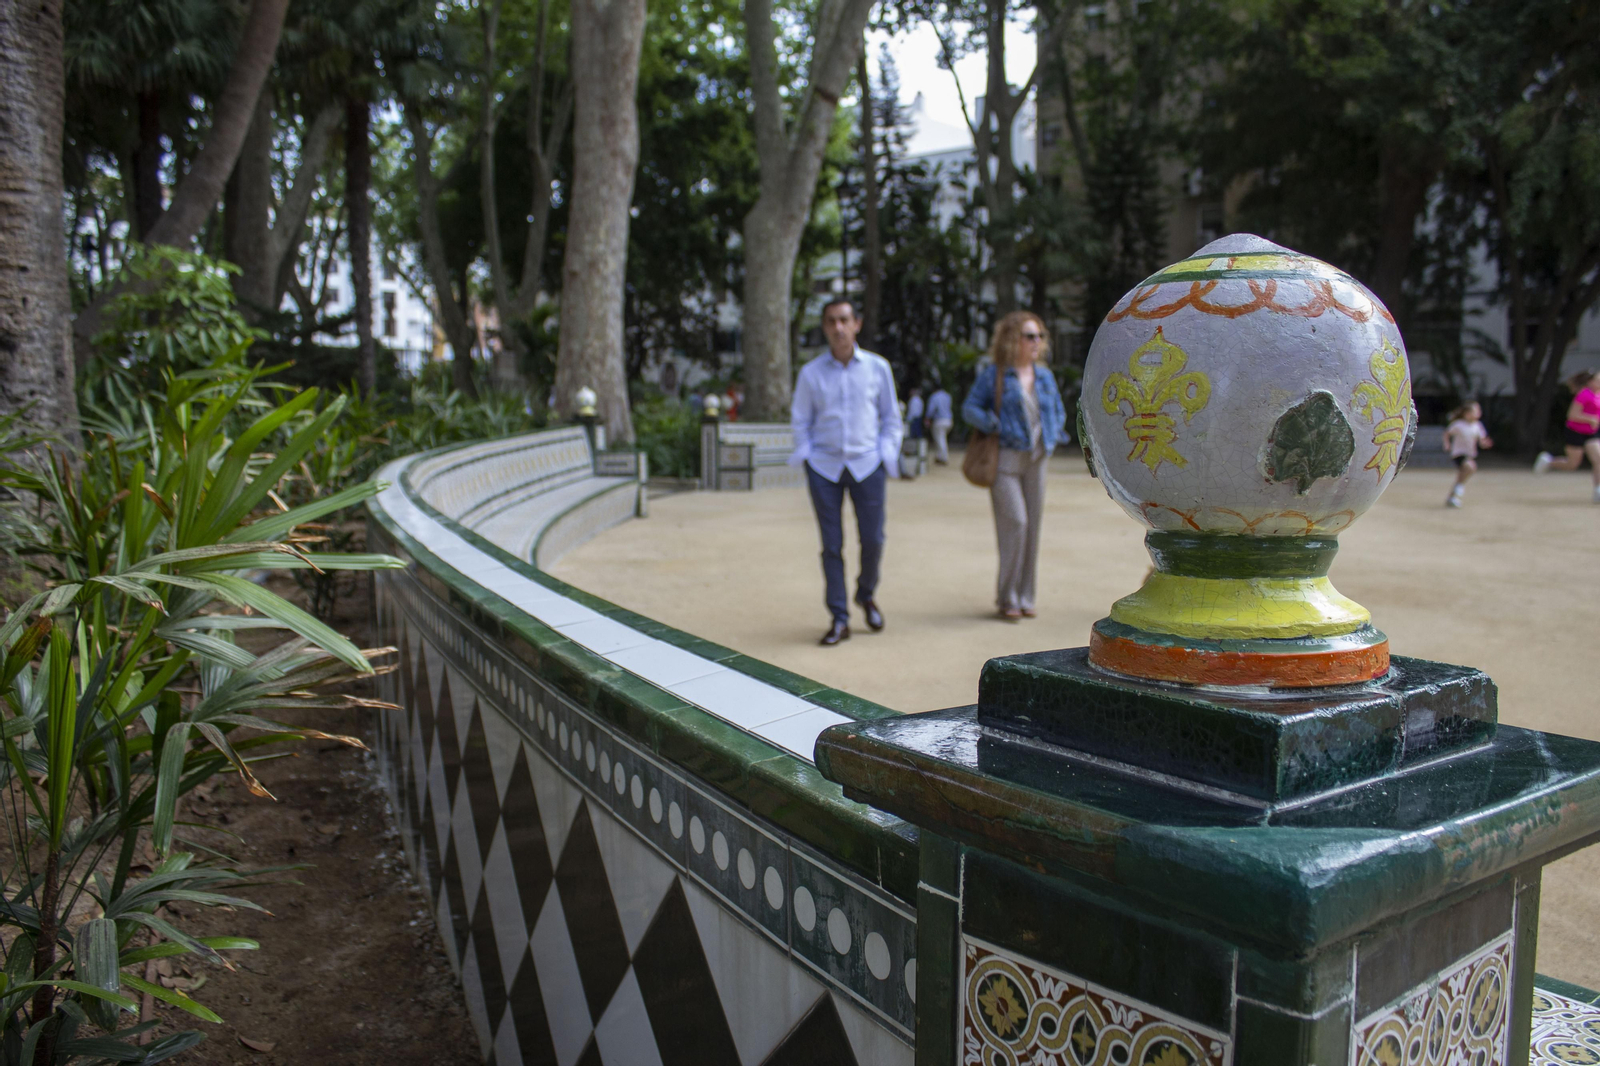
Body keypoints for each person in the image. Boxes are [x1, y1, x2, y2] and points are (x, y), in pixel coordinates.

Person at [789, 299, 903, 645]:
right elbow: (800, 420)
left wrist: (885, 454)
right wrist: (807, 455)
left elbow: (891, 418)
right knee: (831, 545)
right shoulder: (811, 373)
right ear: (824, 327)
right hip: (824, 467)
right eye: (830, 321)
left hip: (868, 464)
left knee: (873, 539)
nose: (837, 327)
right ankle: (839, 617)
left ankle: (865, 593)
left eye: (843, 320)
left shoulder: (877, 367)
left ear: (856, 323)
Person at [962, 311, 1068, 620]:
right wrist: (993, 423)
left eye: (1040, 336)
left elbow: (1059, 409)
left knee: (1033, 529)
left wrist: (1052, 432)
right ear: (1013, 339)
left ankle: (1025, 596)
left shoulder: (1044, 376)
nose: (1037, 342)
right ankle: (1007, 597)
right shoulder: (996, 374)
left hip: (1037, 459)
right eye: (1030, 336)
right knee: (1016, 523)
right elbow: (970, 407)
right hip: (1005, 460)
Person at [1533, 369, 1600, 502]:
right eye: (1598, 380)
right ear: (1590, 382)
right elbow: (1572, 415)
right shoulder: (1584, 394)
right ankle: (1548, 461)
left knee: (1598, 459)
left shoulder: (1598, 395)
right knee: (1572, 464)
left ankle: (1597, 490)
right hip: (1575, 432)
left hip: (1592, 433)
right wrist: (1590, 419)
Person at [1442, 401, 1492, 508]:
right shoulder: (1459, 425)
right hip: (1458, 454)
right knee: (1471, 467)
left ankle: (1454, 495)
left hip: (1469, 455)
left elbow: (1481, 441)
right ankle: (1458, 491)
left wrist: (1485, 443)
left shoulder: (1478, 426)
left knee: (1462, 476)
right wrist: (1447, 444)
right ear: (1467, 414)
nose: (1478, 413)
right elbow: (1447, 433)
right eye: (1475, 411)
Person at [926, 384, 954, 464]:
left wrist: (927, 418)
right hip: (948, 420)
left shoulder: (934, 396)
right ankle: (939, 456)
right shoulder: (947, 396)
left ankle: (943, 457)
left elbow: (931, 409)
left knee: (940, 439)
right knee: (941, 438)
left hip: (939, 420)